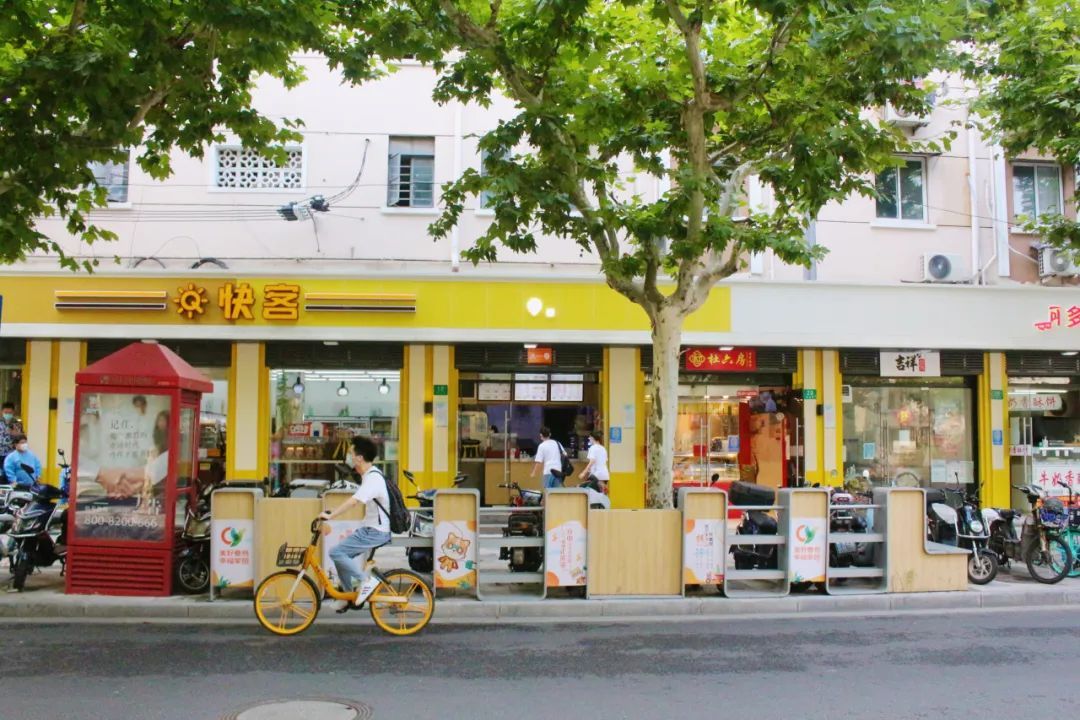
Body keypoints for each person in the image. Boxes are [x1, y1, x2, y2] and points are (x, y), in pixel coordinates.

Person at [320, 436, 391, 612]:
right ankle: (346, 596)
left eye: (351, 454)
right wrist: (332, 512)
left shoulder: (373, 478)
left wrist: (332, 515)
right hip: (371, 529)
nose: (349, 457)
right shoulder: (369, 475)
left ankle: (366, 581)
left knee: (336, 552)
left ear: (359, 458)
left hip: (375, 531)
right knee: (340, 555)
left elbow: (354, 501)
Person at [579, 430, 610, 494]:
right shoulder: (603, 448)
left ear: (593, 438)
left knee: (588, 493)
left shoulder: (593, 448)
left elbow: (592, 461)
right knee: (599, 494)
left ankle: (601, 487)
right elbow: (603, 462)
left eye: (590, 437)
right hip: (605, 475)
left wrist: (583, 473)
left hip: (596, 476)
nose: (589, 439)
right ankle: (602, 487)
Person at [0, 401, 23, 481]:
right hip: (0, 452)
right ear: (2, 412)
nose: (7, 414)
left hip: (11, 454)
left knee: (9, 474)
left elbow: (21, 438)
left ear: (13, 412)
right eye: (5, 412)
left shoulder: (17, 424)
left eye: (10, 413)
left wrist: (15, 433)